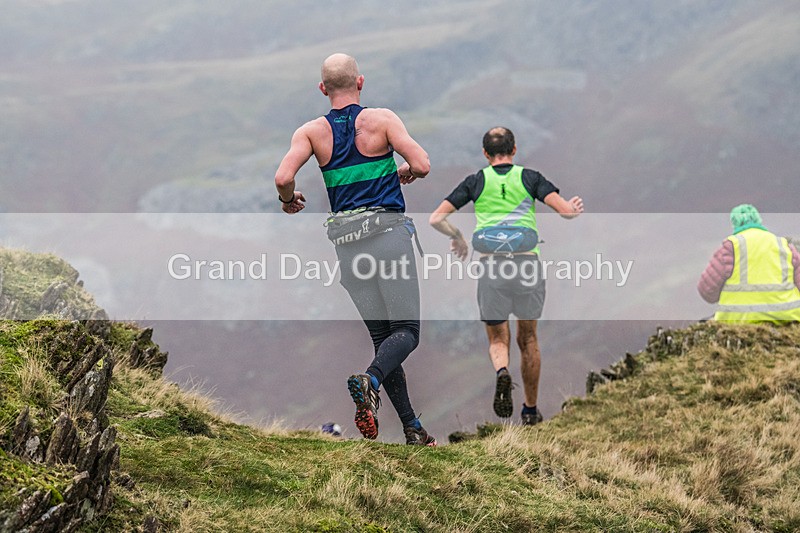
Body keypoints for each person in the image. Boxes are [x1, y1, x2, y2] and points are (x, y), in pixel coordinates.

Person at [275, 53, 436, 445]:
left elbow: (283, 176)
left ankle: (413, 430)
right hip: (388, 237)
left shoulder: (312, 132)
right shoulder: (381, 120)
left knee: (384, 340)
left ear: (323, 88)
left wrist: (288, 198)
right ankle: (370, 381)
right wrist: (406, 171)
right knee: (407, 333)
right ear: (360, 82)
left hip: (348, 246)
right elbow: (423, 164)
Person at [429, 127, 583, 425]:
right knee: (528, 339)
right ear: (515, 150)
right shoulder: (530, 178)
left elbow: (437, 219)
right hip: (527, 264)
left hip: (491, 267)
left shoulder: (475, 181)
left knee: (499, 339)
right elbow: (565, 212)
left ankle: (502, 372)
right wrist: (573, 209)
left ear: (486, 154)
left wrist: (458, 236)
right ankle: (530, 411)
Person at [697, 204, 800, 323]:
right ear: (759, 221)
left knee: (705, 322)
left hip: (739, 318)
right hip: (787, 316)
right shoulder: (784, 245)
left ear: (734, 224)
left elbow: (707, 292)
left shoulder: (730, 248)